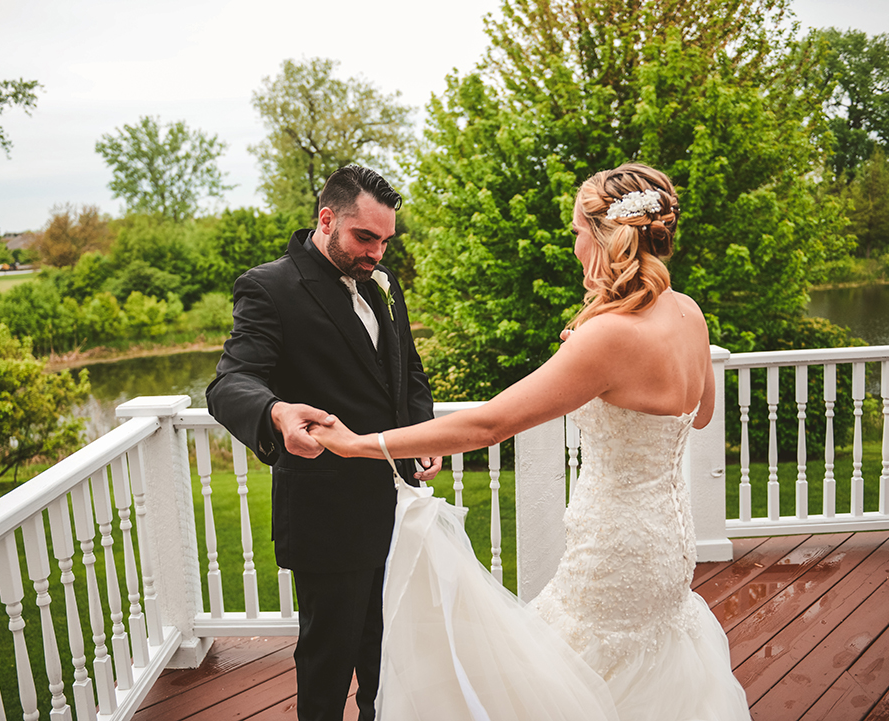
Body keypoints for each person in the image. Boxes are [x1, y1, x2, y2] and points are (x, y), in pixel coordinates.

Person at [311, 163, 752, 720]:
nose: (572, 246)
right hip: (667, 546)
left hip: (613, 552)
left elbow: (489, 424)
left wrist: (358, 444)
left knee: (565, 689)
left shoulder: (610, 335)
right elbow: (703, 413)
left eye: (575, 232)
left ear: (603, 235)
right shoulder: (687, 311)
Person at [206, 164, 442, 721]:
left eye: (385, 240)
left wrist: (420, 430)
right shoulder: (270, 287)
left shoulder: (383, 282)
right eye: (366, 238)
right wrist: (276, 411)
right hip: (328, 516)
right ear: (327, 219)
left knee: (391, 656)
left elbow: (406, 373)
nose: (377, 254)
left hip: (399, 509)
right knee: (328, 663)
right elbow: (229, 382)